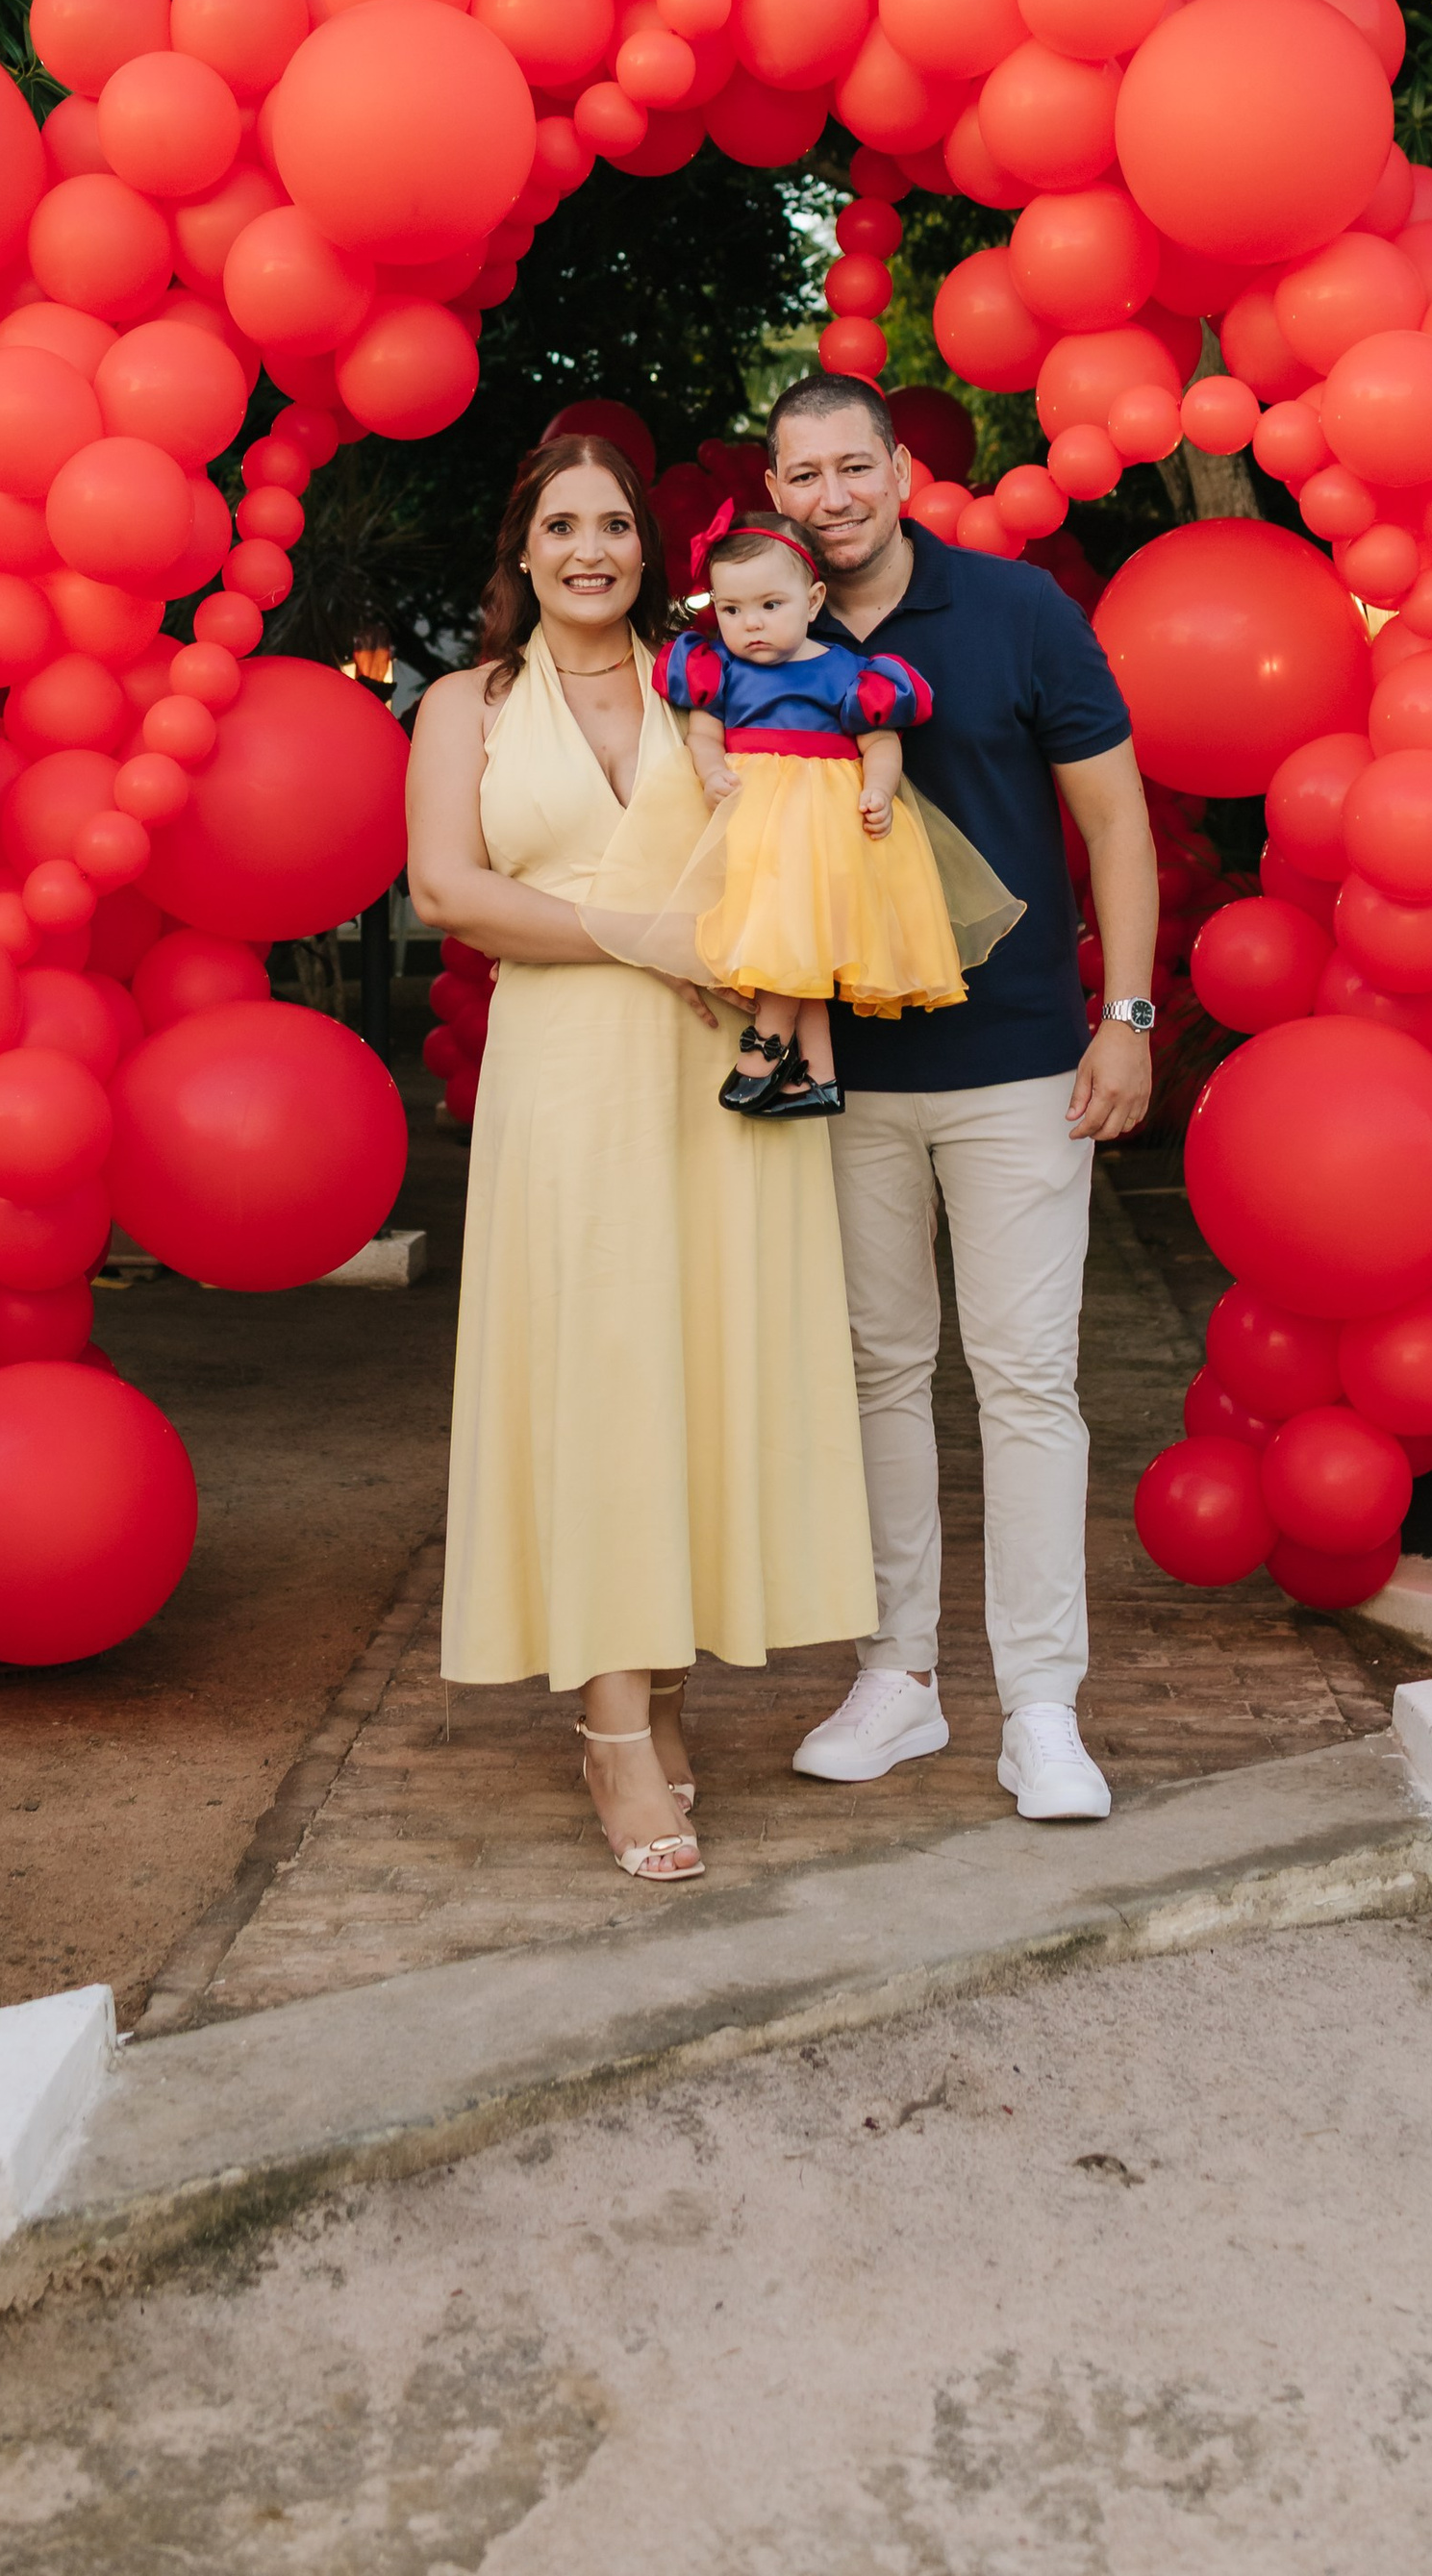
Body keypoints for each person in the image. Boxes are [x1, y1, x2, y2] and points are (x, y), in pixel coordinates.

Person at [405, 434, 878, 1885]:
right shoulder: (465, 704)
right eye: (563, 524)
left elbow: (797, 837)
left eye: (615, 522)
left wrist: (751, 943)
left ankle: (662, 1688)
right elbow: (448, 890)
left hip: (715, 1066)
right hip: (568, 1076)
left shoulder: (718, 686)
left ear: (646, 548)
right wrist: (644, 934)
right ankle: (613, 1728)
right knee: (601, 1370)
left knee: (698, 1373)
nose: (591, 546)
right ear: (524, 548)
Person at [762, 372, 1159, 1823]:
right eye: (800, 477)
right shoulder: (758, 634)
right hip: (843, 1073)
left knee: (1026, 1378)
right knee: (876, 1371)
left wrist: (1127, 1014)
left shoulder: (1019, 612)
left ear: (900, 468)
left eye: (851, 467)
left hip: (1020, 1067)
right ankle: (900, 1680)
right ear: (777, 495)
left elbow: (1113, 817)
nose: (830, 497)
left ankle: (1042, 1707)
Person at [587, 505, 1019, 1122]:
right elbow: (704, 734)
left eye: (770, 606)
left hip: (821, 832)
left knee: (791, 939)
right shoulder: (719, 668)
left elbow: (882, 742)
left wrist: (878, 791)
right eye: (731, 611)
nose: (750, 625)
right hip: (750, 823)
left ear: (813, 599)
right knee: (795, 951)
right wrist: (711, 770)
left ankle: (765, 1048)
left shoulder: (847, 673)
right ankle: (820, 1075)